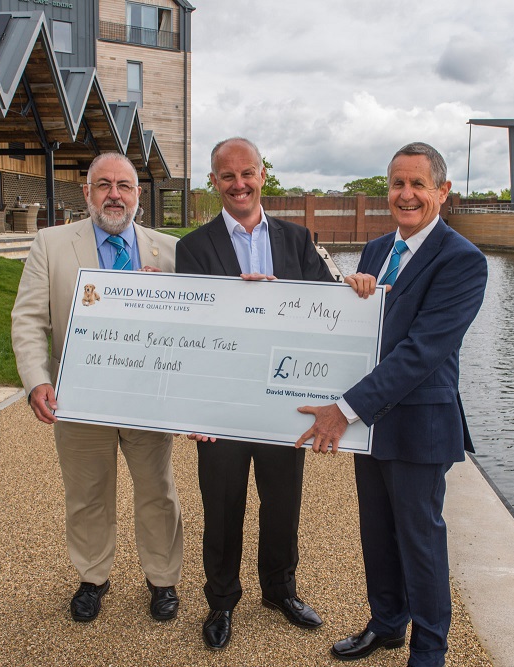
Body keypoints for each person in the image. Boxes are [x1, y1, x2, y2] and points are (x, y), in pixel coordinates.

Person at [295, 142, 488, 667]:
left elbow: (420, 352)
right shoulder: (379, 249)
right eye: (397, 184)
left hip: (419, 426)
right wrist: (353, 292)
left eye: (418, 184)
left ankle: (429, 650)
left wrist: (343, 409)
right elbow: (364, 332)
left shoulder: (462, 261)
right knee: (377, 533)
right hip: (373, 425)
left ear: (441, 193)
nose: (406, 194)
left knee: (420, 544)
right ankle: (386, 626)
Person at [175, 137, 334, 650]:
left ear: (264, 174)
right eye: (227, 176)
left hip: (282, 400)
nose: (238, 184)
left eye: (247, 173)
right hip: (222, 403)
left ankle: (279, 591)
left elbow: (325, 310)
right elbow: (191, 330)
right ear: (215, 182)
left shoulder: (296, 239)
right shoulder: (194, 248)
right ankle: (221, 602)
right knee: (222, 506)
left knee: (282, 501)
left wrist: (354, 285)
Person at [11, 152, 183, 625]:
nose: (114, 194)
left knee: (157, 490)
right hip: (78, 397)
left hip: (146, 400)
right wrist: (37, 381)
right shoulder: (50, 244)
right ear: (86, 193)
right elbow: (28, 318)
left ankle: (163, 579)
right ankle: (92, 577)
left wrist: (165, 297)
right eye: (103, 185)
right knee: (86, 492)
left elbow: (198, 321)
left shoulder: (167, 252)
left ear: (138, 196)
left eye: (124, 186)